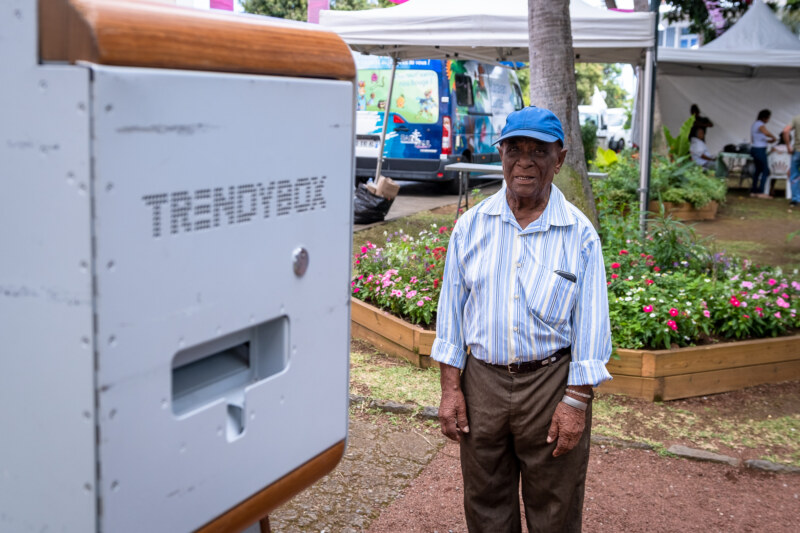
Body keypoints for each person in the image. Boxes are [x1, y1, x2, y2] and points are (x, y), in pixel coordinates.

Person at [432, 106, 612, 533]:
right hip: (482, 383)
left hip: (551, 385)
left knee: (555, 506)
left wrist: (576, 402)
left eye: (538, 151)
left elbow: (592, 328)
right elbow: (451, 315)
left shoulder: (579, 233)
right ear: (501, 155)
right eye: (514, 149)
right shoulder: (471, 226)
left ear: (559, 159)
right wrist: (450, 389)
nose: (525, 162)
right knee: (485, 501)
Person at [750, 109, 777, 199]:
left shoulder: (754, 124)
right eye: (768, 118)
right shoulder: (760, 124)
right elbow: (766, 132)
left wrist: (768, 141)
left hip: (755, 148)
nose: (768, 120)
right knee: (765, 170)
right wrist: (773, 137)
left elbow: (755, 139)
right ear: (765, 117)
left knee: (758, 170)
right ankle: (761, 192)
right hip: (760, 150)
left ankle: (754, 191)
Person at [782, 113, 800, 207]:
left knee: (794, 175)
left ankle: (795, 200)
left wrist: (788, 146)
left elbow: (785, 131)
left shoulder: (796, 118)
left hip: (797, 151)